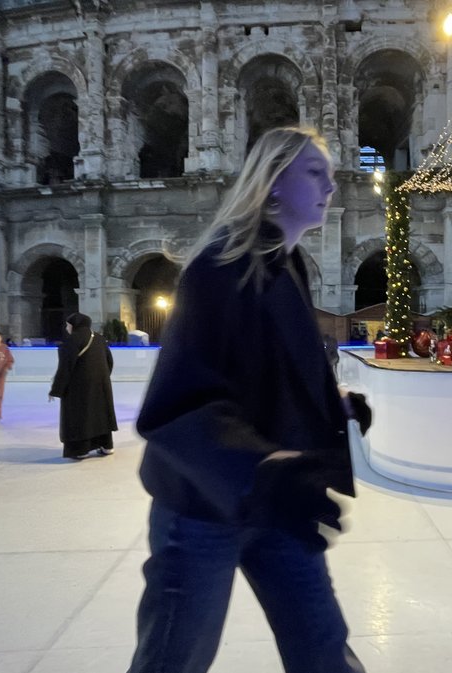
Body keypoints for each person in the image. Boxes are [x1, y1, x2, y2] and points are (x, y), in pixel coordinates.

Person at [127, 127, 370, 673]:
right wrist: (264, 471)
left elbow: (271, 373)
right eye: (315, 174)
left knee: (323, 648)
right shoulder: (219, 267)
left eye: (330, 177)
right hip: (202, 510)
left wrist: (335, 405)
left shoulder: (292, 265)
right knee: (173, 659)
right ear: (274, 182)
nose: (332, 188)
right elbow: (179, 402)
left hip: (278, 506)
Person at [49, 312, 117, 460]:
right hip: (101, 385)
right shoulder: (99, 338)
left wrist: (57, 389)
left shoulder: (72, 340)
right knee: (100, 414)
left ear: (74, 325)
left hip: (79, 387)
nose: (67, 328)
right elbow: (109, 361)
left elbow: (65, 367)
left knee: (81, 416)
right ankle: (106, 445)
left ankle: (81, 450)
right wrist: (101, 378)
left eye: (68, 325)